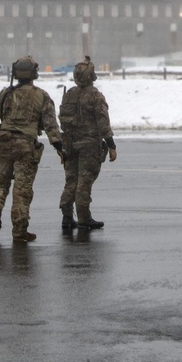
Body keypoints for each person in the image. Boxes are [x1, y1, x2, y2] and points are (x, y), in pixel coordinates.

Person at [0, 55, 62, 243]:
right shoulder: (42, 95)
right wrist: (59, 147)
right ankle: (19, 230)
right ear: (34, 74)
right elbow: (50, 126)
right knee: (22, 190)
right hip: (26, 146)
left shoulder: (5, 94)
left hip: (4, 145)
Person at [58, 55, 117, 232]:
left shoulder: (69, 95)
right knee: (84, 182)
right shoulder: (95, 96)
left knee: (71, 180)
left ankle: (67, 216)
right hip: (89, 145)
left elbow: (63, 120)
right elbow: (103, 122)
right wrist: (111, 145)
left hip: (70, 143)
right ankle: (84, 217)